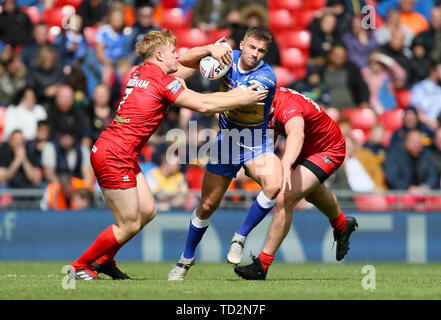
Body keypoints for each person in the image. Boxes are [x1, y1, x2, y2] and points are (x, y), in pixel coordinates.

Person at [68, 29, 268, 281]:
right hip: (114, 154)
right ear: (161, 55)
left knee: (148, 211)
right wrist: (242, 97)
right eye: (173, 52)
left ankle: (105, 260)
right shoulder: (161, 82)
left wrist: (210, 50)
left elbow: (186, 65)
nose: (177, 56)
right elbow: (203, 104)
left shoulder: (140, 72)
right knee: (128, 223)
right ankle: (81, 265)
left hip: (118, 150)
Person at [168, 27, 281, 281]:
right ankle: (186, 259)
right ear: (242, 44)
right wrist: (209, 49)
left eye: (261, 51)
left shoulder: (266, 77)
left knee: (274, 185)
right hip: (227, 142)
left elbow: (233, 99)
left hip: (255, 142)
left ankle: (240, 237)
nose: (255, 54)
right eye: (251, 47)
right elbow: (183, 62)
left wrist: (193, 96)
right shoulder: (226, 56)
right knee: (207, 205)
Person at [233, 87, 358, 280]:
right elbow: (270, 137)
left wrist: (284, 165)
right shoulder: (264, 104)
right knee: (311, 192)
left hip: (327, 149)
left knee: (285, 198)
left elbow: (297, 134)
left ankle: (262, 265)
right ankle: (342, 225)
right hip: (308, 148)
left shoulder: (287, 106)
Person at [323, 44, 370, 111]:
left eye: (343, 55)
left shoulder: (352, 69)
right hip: (329, 108)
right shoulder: (322, 70)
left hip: (350, 106)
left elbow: (362, 86)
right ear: (330, 55)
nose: (340, 57)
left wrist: (364, 101)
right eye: (337, 54)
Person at [410, 60, 441, 131]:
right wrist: (433, 123)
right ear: (433, 72)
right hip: (426, 126)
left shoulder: (439, 88)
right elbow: (417, 112)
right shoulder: (419, 87)